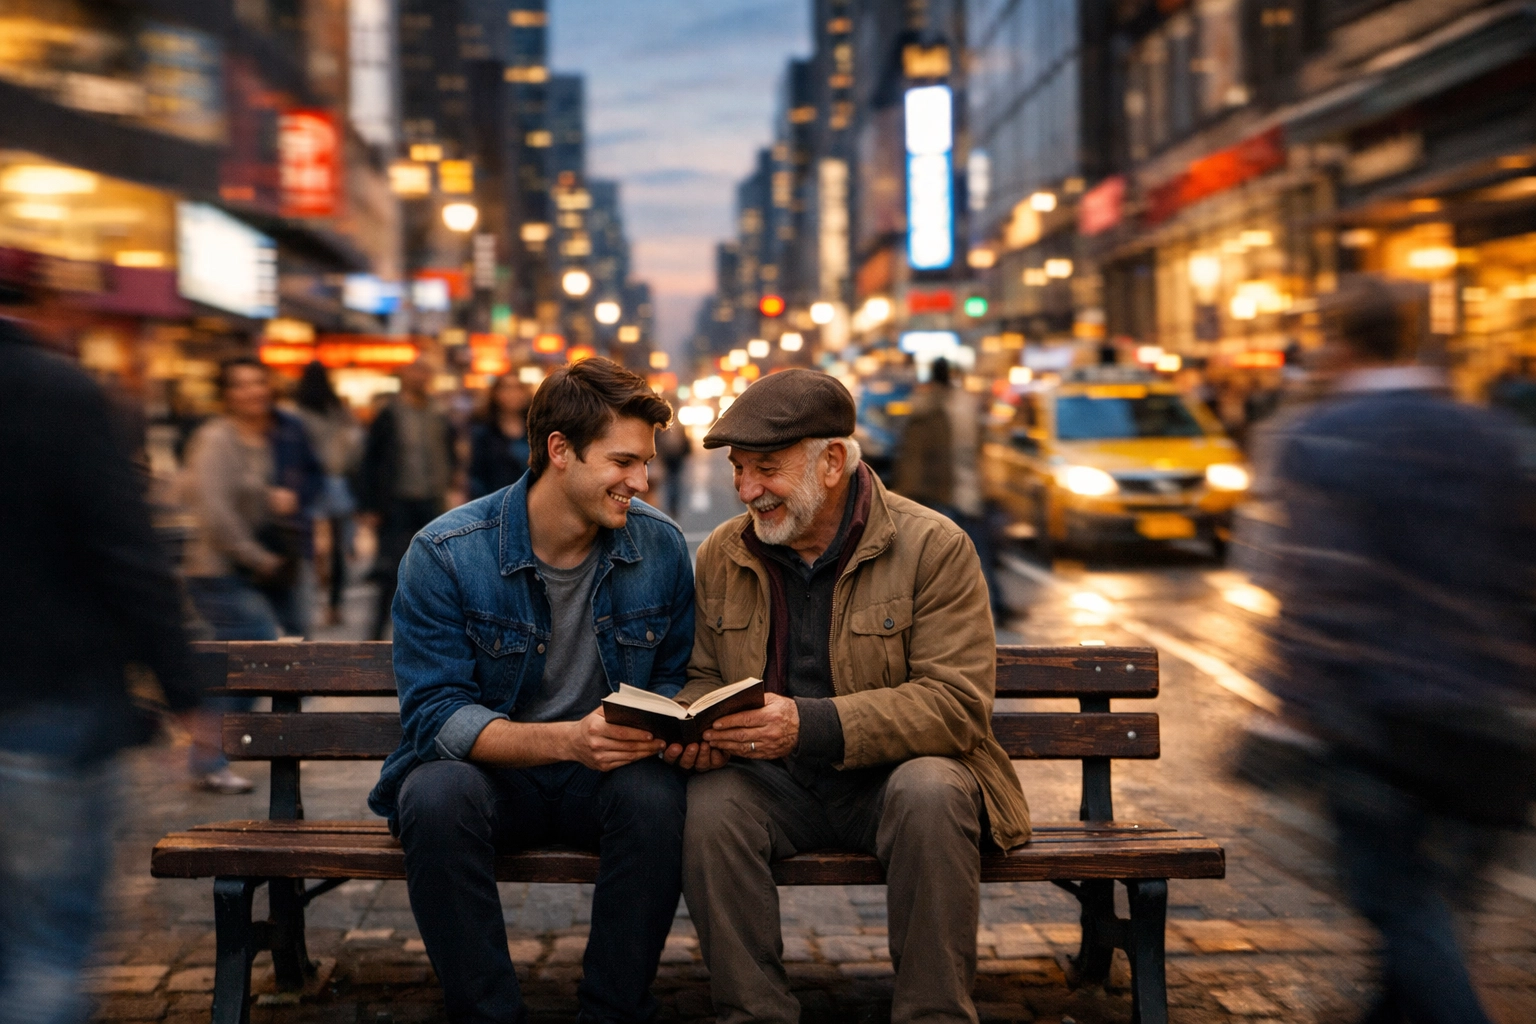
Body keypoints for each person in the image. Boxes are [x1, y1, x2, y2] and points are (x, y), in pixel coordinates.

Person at [679, 368, 1031, 1024]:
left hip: (888, 780)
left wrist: (808, 724)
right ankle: (755, 1012)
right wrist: (699, 727)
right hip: (776, 785)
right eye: (738, 470)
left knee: (934, 790)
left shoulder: (933, 546)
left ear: (833, 461)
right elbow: (704, 675)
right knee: (712, 807)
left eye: (766, 469)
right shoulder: (725, 553)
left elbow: (956, 705)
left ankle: (934, 1014)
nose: (747, 491)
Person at [368, 357, 704, 1024]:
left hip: (605, 779)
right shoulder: (447, 552)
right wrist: (569, 740)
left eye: (646, 462)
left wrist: (677, 720)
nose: (641, 481)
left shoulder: (660, 547)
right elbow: (436, 717)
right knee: (433, 794)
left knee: (655, 797)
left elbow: (675, 676)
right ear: (559, 451)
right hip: (494, 779)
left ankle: (614, 1009)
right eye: (623, 462)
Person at [1260, 276, 1536, 1024]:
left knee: (1398, 902)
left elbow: (1322, 585)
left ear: (1341, 342)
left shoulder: (1323, 437)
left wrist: (1295, 702)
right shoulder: (1490, 434)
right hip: (1493, 717)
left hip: (1382, 719)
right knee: (1430, 915)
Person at [0, 301, 201, 1024]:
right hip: (47, 703)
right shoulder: (58, 391)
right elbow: (125, 552)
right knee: (48, 949)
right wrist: (184, 688)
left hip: (47, 702)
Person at [181, 356, 318, 792]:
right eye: (240, 385)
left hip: (258, 568)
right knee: (250, 656)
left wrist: (278, 501)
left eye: (258, 383)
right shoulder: (215, 440)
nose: (252, 392)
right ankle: (210, 756)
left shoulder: (269, 436)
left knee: (264, 653)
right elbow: (215, 515)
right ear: (227, 394)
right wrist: (259, 558)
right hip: (218, 570)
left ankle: (223, 752)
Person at [893, 356, 1001, 617]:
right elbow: (979, 450)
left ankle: (968, 609)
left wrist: (906, 496)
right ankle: (991, 605)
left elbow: (914, 458)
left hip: (942, 493)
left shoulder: (925, 407)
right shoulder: (966, 403)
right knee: (975, 553)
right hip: (967, 493)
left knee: (943, 558)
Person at [357, 359, 457, 640]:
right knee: (393, 569)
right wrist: (370, 505)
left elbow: (448, 451)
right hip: (397, 501)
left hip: (431, 500)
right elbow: (370, 460)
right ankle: (375, 635)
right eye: (415, 371)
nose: (421, 377)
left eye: (425, 371)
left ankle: (426, 635)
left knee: (434, 571)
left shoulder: (438, 413)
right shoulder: (389, 414)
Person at [293, 361, 362, 628]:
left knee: (309, 547)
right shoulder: (339, 411)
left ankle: (310, 602)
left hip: (309, 484)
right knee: (337, 549)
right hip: (337, 483)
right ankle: (334, 606)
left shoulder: (297, 414)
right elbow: (355, 446)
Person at [466, 372, 532, 499]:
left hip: (530, 501)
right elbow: (476, 474)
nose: (513, 394)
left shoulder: (535, 429)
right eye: (507, 388)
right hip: (495, 500)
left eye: (518, 388)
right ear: (496, 393)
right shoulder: (484, 430)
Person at [655, 405, 692, 519]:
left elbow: (657, 441)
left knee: (670, 480)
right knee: (675, 480)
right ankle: (673, 506)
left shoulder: (662, 424)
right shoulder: (679, 424)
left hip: (668, 456)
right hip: (677, 456)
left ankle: (671, 505)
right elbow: (685, 439)